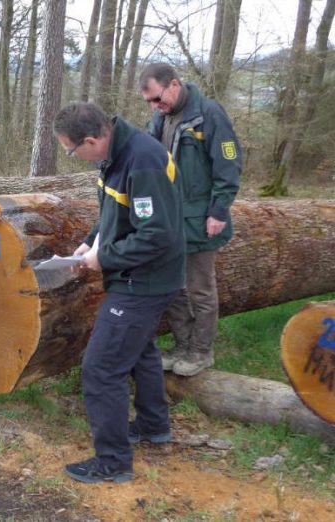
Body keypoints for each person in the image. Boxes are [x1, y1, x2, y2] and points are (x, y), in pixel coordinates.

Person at [53, 102, 185, 484]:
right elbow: (115, 209)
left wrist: (104, 257)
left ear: (91, 140)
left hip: (144, 281)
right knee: (140, 349)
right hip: (134, 275)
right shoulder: (115, 155)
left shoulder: (142, 159)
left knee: (101, 367)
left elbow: (158, 235)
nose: (72, 156)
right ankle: (153, 426)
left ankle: (112, 462)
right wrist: (90, 242)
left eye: (71, 150)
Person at [139, 63, 242, 376]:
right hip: (169, 220)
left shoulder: (209, 114)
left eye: (158, 98)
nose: (156, 106)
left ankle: (201, 352)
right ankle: (182, 347)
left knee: (200, 289)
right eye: (150, 103)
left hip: (200, 220)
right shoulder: (160, 120)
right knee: (174, 287)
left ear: (173, 84)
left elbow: (228, 165)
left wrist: (219, 211)